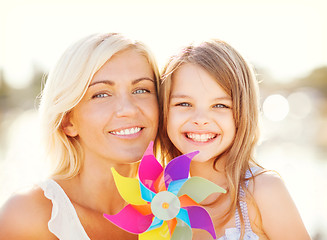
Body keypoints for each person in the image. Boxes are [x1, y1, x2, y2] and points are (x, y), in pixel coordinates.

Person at [0, 33, 160, 239]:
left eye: (141, 90)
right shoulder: (30, 216)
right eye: (101, 94)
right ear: (68, 121)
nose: (128, 109)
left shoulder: (171, 209)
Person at [159, 39, 311, 239]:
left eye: (220, 105)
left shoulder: (264, 192)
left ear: (243, 112)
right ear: (163, 110)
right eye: (184, 103)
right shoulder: (158, 200)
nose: (201, 120)